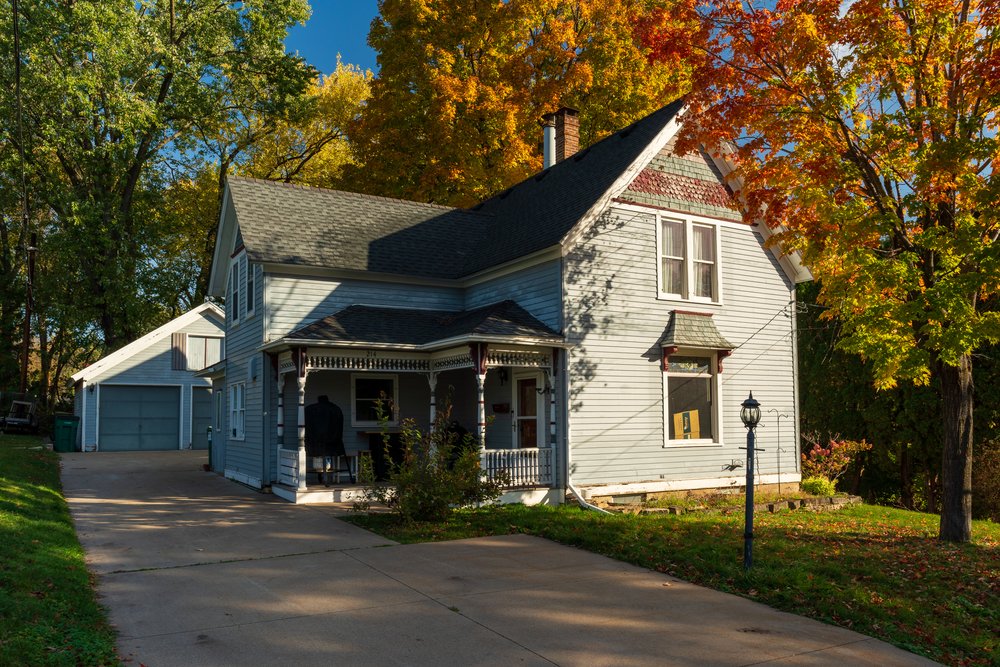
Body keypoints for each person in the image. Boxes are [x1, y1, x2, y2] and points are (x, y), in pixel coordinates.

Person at [304, 395, 350, 485]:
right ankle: (324, 478)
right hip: (333, 443)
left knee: (321, 459)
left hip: (314, 443)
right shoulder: (336, 409)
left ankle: (323, 478)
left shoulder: (310, 409)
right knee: (325, 458)